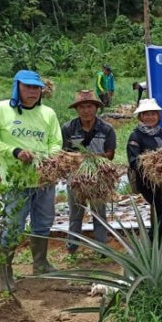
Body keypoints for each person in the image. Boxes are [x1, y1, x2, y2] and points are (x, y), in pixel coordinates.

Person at [0, 70, 62, 290]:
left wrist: (48, 158)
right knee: (13, 226)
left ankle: (41, 263)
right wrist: (14, 151)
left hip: (44, 181)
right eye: (27, 87)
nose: (33, 92)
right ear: (17, 87)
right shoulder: (0, 109)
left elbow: (56, 141)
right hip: (15, 182)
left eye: (36, 88)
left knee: (43, 222)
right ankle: (5, 271)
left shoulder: (48, 113)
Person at [61, 90, 116, 255]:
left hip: (98, 178)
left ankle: (102, 249)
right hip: (76, 178)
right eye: (82, 107)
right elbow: (64, 153)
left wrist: (90, 158)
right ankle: (72, 248)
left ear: (96, 108)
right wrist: (79, 159)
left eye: (90, 106)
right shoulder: (68, 128)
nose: (86, 110)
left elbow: (110, 154)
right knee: (75, 213)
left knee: (99, 214)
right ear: (77, 109)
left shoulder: (106, 128)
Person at [127, 98, 162, 240]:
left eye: (153, 114)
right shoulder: (135, 136)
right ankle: (150, 241)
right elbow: (133, 161)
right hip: (148, 184)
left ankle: (159, 246)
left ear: (158, 116)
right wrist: (152, 163)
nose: (150, 117)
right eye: (146, 114)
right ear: (140, 117)